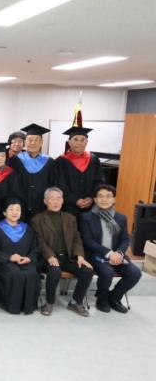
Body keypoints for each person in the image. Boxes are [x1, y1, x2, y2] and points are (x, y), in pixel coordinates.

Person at [31, 187, 94, 317]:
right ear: (45, 201)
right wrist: (50, 256)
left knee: (87, 271)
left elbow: (77, 238)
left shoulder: (70, 218)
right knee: (55, 270)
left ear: (62, 201)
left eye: (58, 199)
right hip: (47, 258)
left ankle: (75, 302)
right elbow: (39, 241)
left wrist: (80, 256)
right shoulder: (37, 219)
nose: (55, 202)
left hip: (68, 257)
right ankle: (49, 303)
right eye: (52, 199)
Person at [80, 184, 141, 313]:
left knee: (135, 273)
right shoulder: (86, 217)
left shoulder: (121, 217)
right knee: (107, 272)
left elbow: (125, 239)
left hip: (117, 255)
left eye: (108, 196)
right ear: (95, 200)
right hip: (95, 255)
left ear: (114, 199)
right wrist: (109, 253)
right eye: (100, 196)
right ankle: (101, 299)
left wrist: (119, 253)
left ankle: (114, 297)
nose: (104, 199)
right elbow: (87, 241)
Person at [0, 195, 40, 315]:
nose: (15, 212)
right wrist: (9, 257)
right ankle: (13, 307)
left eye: (18, 209)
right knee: (15, 273)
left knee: (31, 272)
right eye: (11, 209)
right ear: (4, 212)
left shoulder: (27, 228)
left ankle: (28, 307)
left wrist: (29, 258)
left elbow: (35, 248)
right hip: (5, 263)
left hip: (24, 261)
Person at [9, 123, 56, 221]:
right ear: (25, 142)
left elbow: (52, 184)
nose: (33, 143)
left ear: (41, 142)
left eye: (36, 140)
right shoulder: (15, 161)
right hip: (20, 207)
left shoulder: (49, 162)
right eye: (30, 140)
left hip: (41, 207)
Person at [55, 126, 105, 216]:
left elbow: (99, 182)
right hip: (68, 207)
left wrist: (92, 198)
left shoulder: (93, 160)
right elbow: (59, 185)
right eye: (75, 139)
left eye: (82, 140)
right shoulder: (61, 161)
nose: (79, 143)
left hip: (90, 208)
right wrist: (75, 200)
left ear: (87, 142)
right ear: (69, 142)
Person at [0, 142, 20, 211]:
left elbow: (14, 193)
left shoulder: (11, 173)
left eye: (2, 156)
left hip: (4, 209)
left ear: (5, 158)